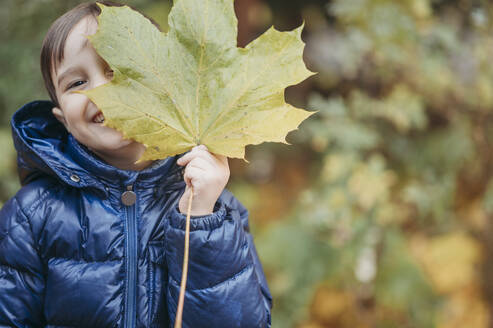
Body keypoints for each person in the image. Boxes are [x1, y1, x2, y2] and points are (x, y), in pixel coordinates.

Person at [0, 2, 272, 327]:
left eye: (118, 70)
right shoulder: (30, 217)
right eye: (76, 83)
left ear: (162, 84)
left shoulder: (216, 211)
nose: (102, 91)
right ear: (62, 119)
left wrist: (200, 222)